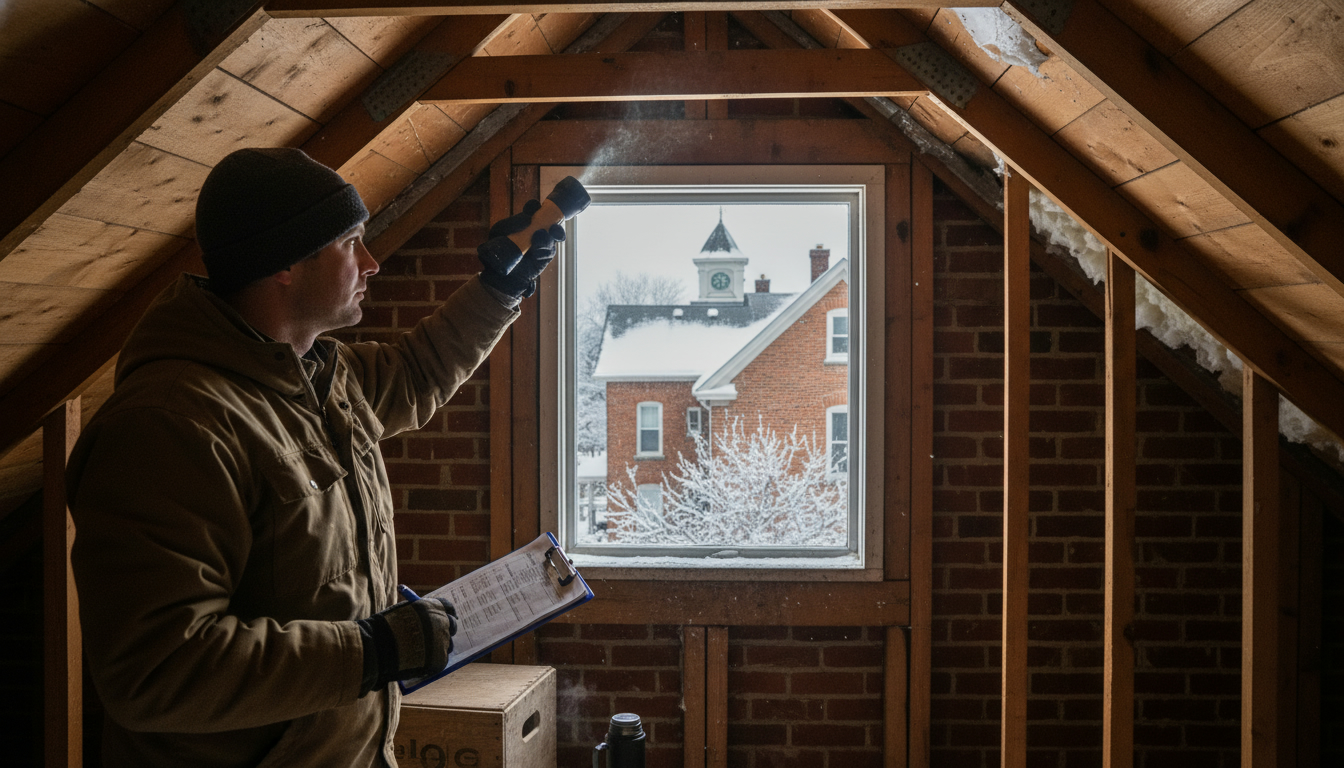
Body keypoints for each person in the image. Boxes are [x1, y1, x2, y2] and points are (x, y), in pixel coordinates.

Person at [65, 147, 562, 767]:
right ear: (284, 265)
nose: (372, 262)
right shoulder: (169, 425)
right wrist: (374, 650)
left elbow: (416, 373)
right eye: (351, 243)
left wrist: (500, 287)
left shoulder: (321, 375)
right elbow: (158, 670)